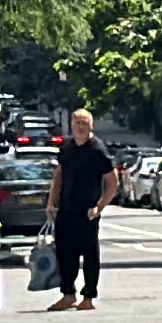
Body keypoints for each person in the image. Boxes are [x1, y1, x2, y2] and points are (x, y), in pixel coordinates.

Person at [48, 109, 113, 309]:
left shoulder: (97, 150)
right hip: (66, 209)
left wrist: (99, 207)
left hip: (87, 211)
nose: (80, 126)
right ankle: (68, 294)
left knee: (90, 254)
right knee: (65, 254)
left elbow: (113, 183)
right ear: (71, 125)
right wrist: (51, 202)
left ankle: (88, 297)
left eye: (84, 123)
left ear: (91, 126)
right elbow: (59, 175)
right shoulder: (66, 147)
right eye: (77, 123)